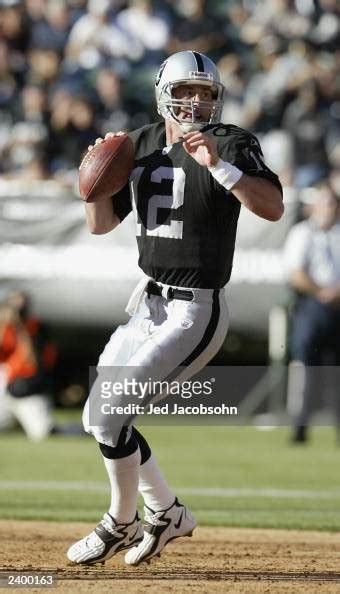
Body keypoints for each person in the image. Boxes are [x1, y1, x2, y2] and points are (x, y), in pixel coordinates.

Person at [67, 50, 283, 566]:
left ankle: (120, 520)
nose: (195, 101)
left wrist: (220, 166)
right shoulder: (137, 143)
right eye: (186, 90)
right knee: (98, 418)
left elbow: (272, 207)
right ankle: (167, 512)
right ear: (164, 90)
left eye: (205, 92)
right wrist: (91, 182)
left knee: (112, 413)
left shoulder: (230, 140)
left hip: (196, 310)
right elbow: (100, 224)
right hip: (148, 303)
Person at [284, 181, 340, 443]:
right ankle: (300, 427)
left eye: (332, 202)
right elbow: (296, 274)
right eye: (324, 202)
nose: (329, 208)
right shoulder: (302, 233)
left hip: (338, 306)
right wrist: (321, 291)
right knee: (306, 369)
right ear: (314, 206)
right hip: (312, 306)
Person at [0, 291, 58, 441]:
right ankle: (16, 424)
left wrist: (20, 328)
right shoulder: (5, 326)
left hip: (28, 391)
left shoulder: (36, 328)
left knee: (44, 433)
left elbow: (33, 361)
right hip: (5, 388)